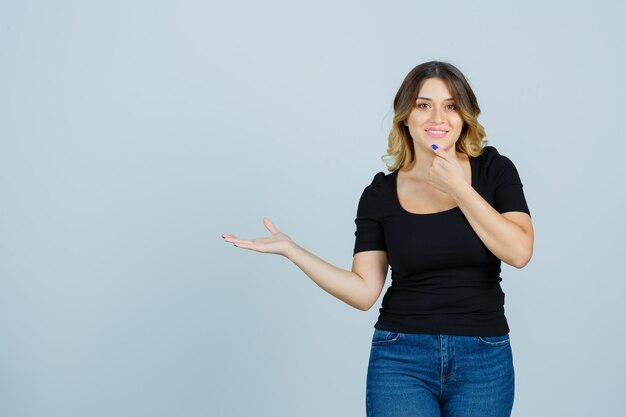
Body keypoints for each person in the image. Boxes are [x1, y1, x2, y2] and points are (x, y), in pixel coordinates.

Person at [222, 61, 534, 417]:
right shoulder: (379, 194)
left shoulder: (494, 170)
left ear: (464, 114)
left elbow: (519, 251)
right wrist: (294, 251)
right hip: (401, 357)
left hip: (483, 356)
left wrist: (459, 189)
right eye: (423, 104)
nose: (438, 116)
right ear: (405, 116)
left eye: (450, 105)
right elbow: (364, 291)